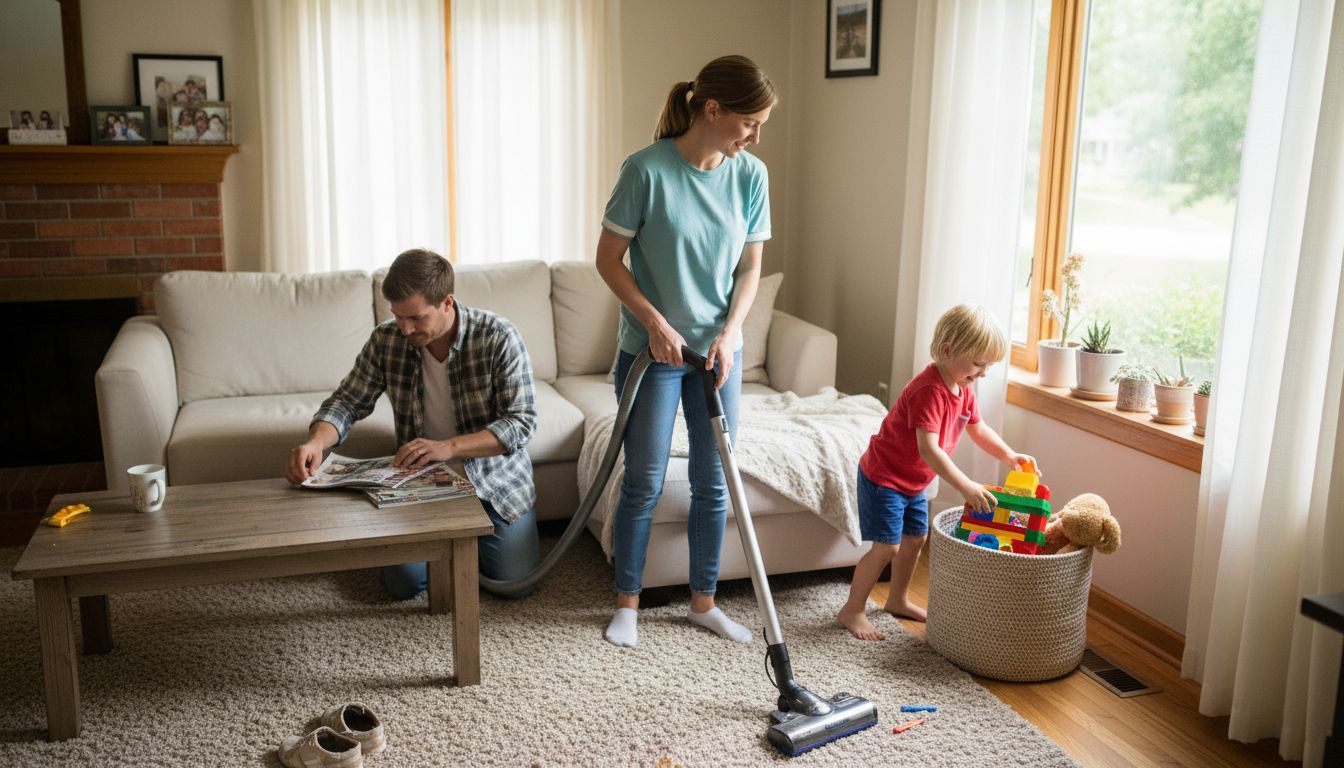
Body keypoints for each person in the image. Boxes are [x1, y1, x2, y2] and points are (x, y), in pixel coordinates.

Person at [595, 55, 776, 648]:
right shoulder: (645, 170)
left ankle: (704, 602)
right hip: (654, 353)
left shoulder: (750, 175)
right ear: (713, 109)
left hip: (720, 354)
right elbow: (608, 260)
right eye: (749, 123)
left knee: (712, 480)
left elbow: (751, 268)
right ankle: (628, 603)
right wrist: (653, 321)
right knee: (644, 479)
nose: (754, 136)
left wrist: (729, 333)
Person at [286, 248, 541, 599]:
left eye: (416, 318)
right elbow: (346, 402)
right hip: (418, 481)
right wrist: (317, 442)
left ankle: (461, 544)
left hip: (493, 480)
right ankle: (444, 546)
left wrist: (448, 447)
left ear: (447, 302)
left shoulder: (498, 337)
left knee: (515, 585)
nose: (405, 328)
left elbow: (521, 423)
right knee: (401, 585)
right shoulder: (386, 340)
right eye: (398, 316)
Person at [836, 304, 1038, 641]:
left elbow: (978, 428)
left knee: (916, 538)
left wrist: (1009, 455)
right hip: (884, 478)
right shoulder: (928, 390)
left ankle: (897, 600)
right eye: (978, 363)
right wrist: (966, 485)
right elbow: (930, 449)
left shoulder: (963, 388)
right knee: (887, 547)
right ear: (948, 351)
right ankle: (852, 609)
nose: (984, 373)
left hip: (915, 481)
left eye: (989, 365)